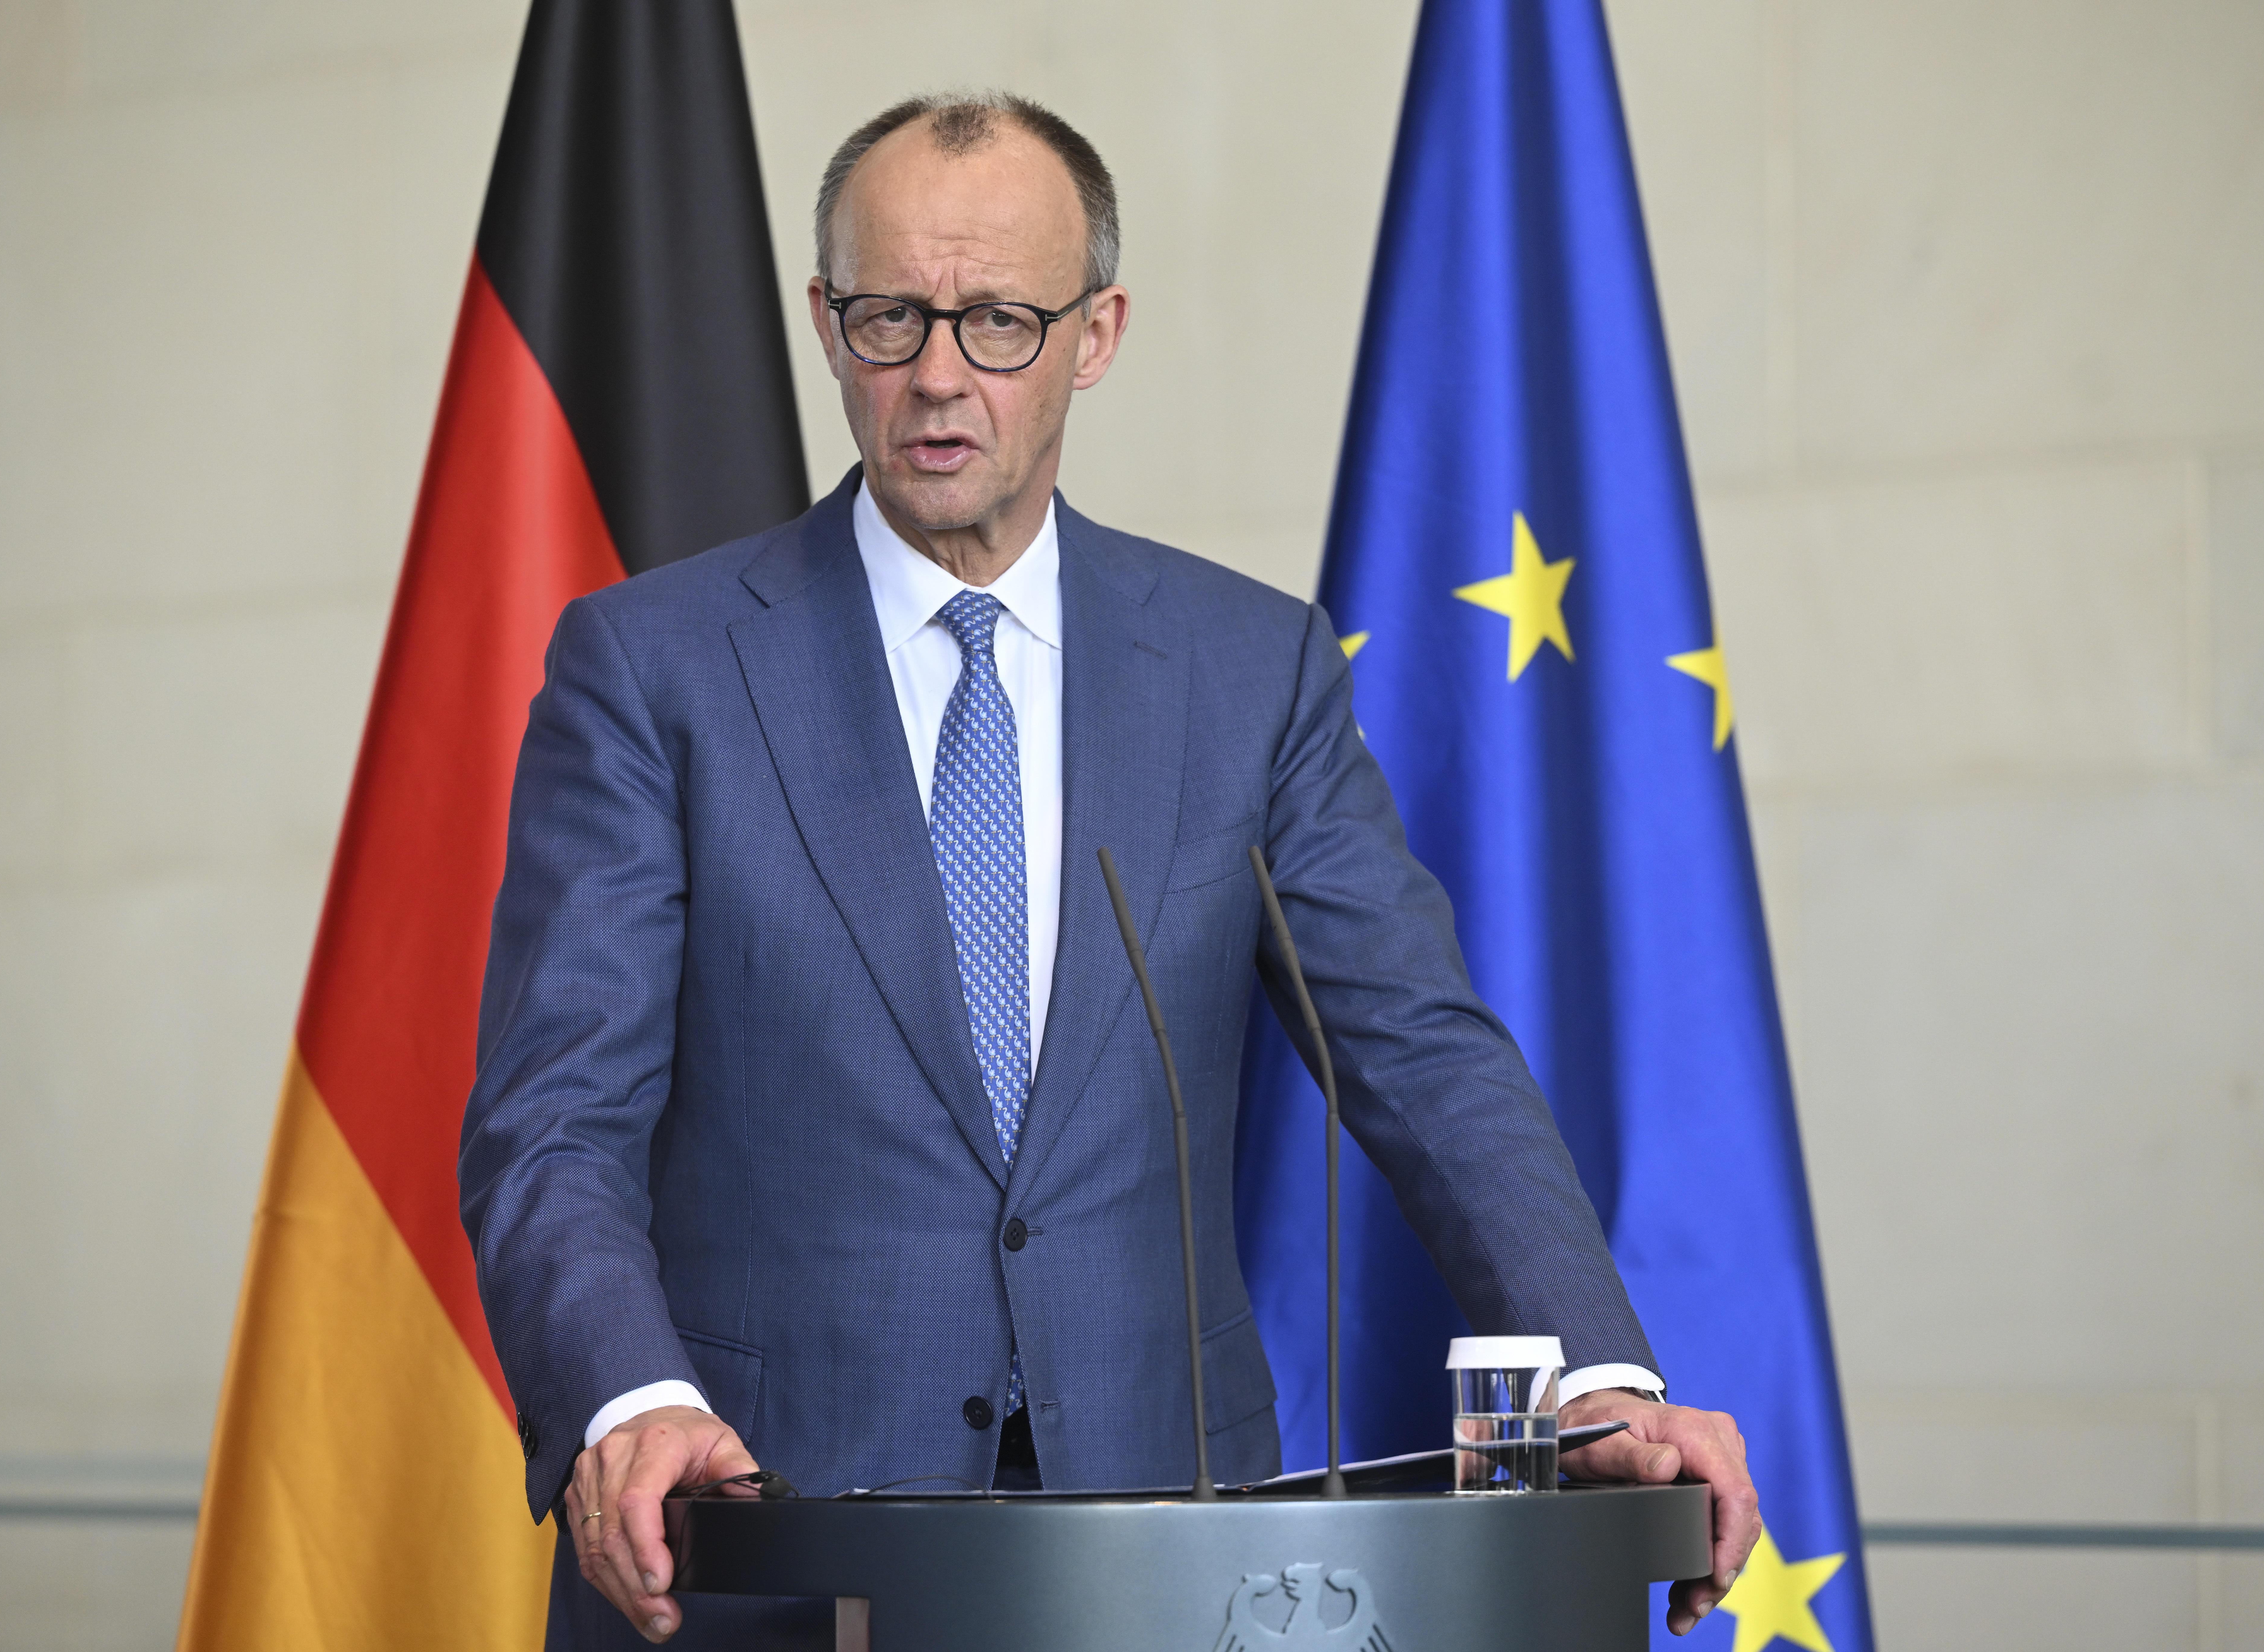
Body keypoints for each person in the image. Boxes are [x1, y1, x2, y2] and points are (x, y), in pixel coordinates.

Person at [459, 92, 1760, 1650]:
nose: (941, 376)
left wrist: (1599, 1377)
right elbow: (552, 1124)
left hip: (1175, 1553)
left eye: (1002, 320)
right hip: (755, 1548)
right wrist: (631, 1402)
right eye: (892, 318)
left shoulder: (1245, 669)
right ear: (825, 322)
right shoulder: (651, 669)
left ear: (1097, 331)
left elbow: (1421, 1054)